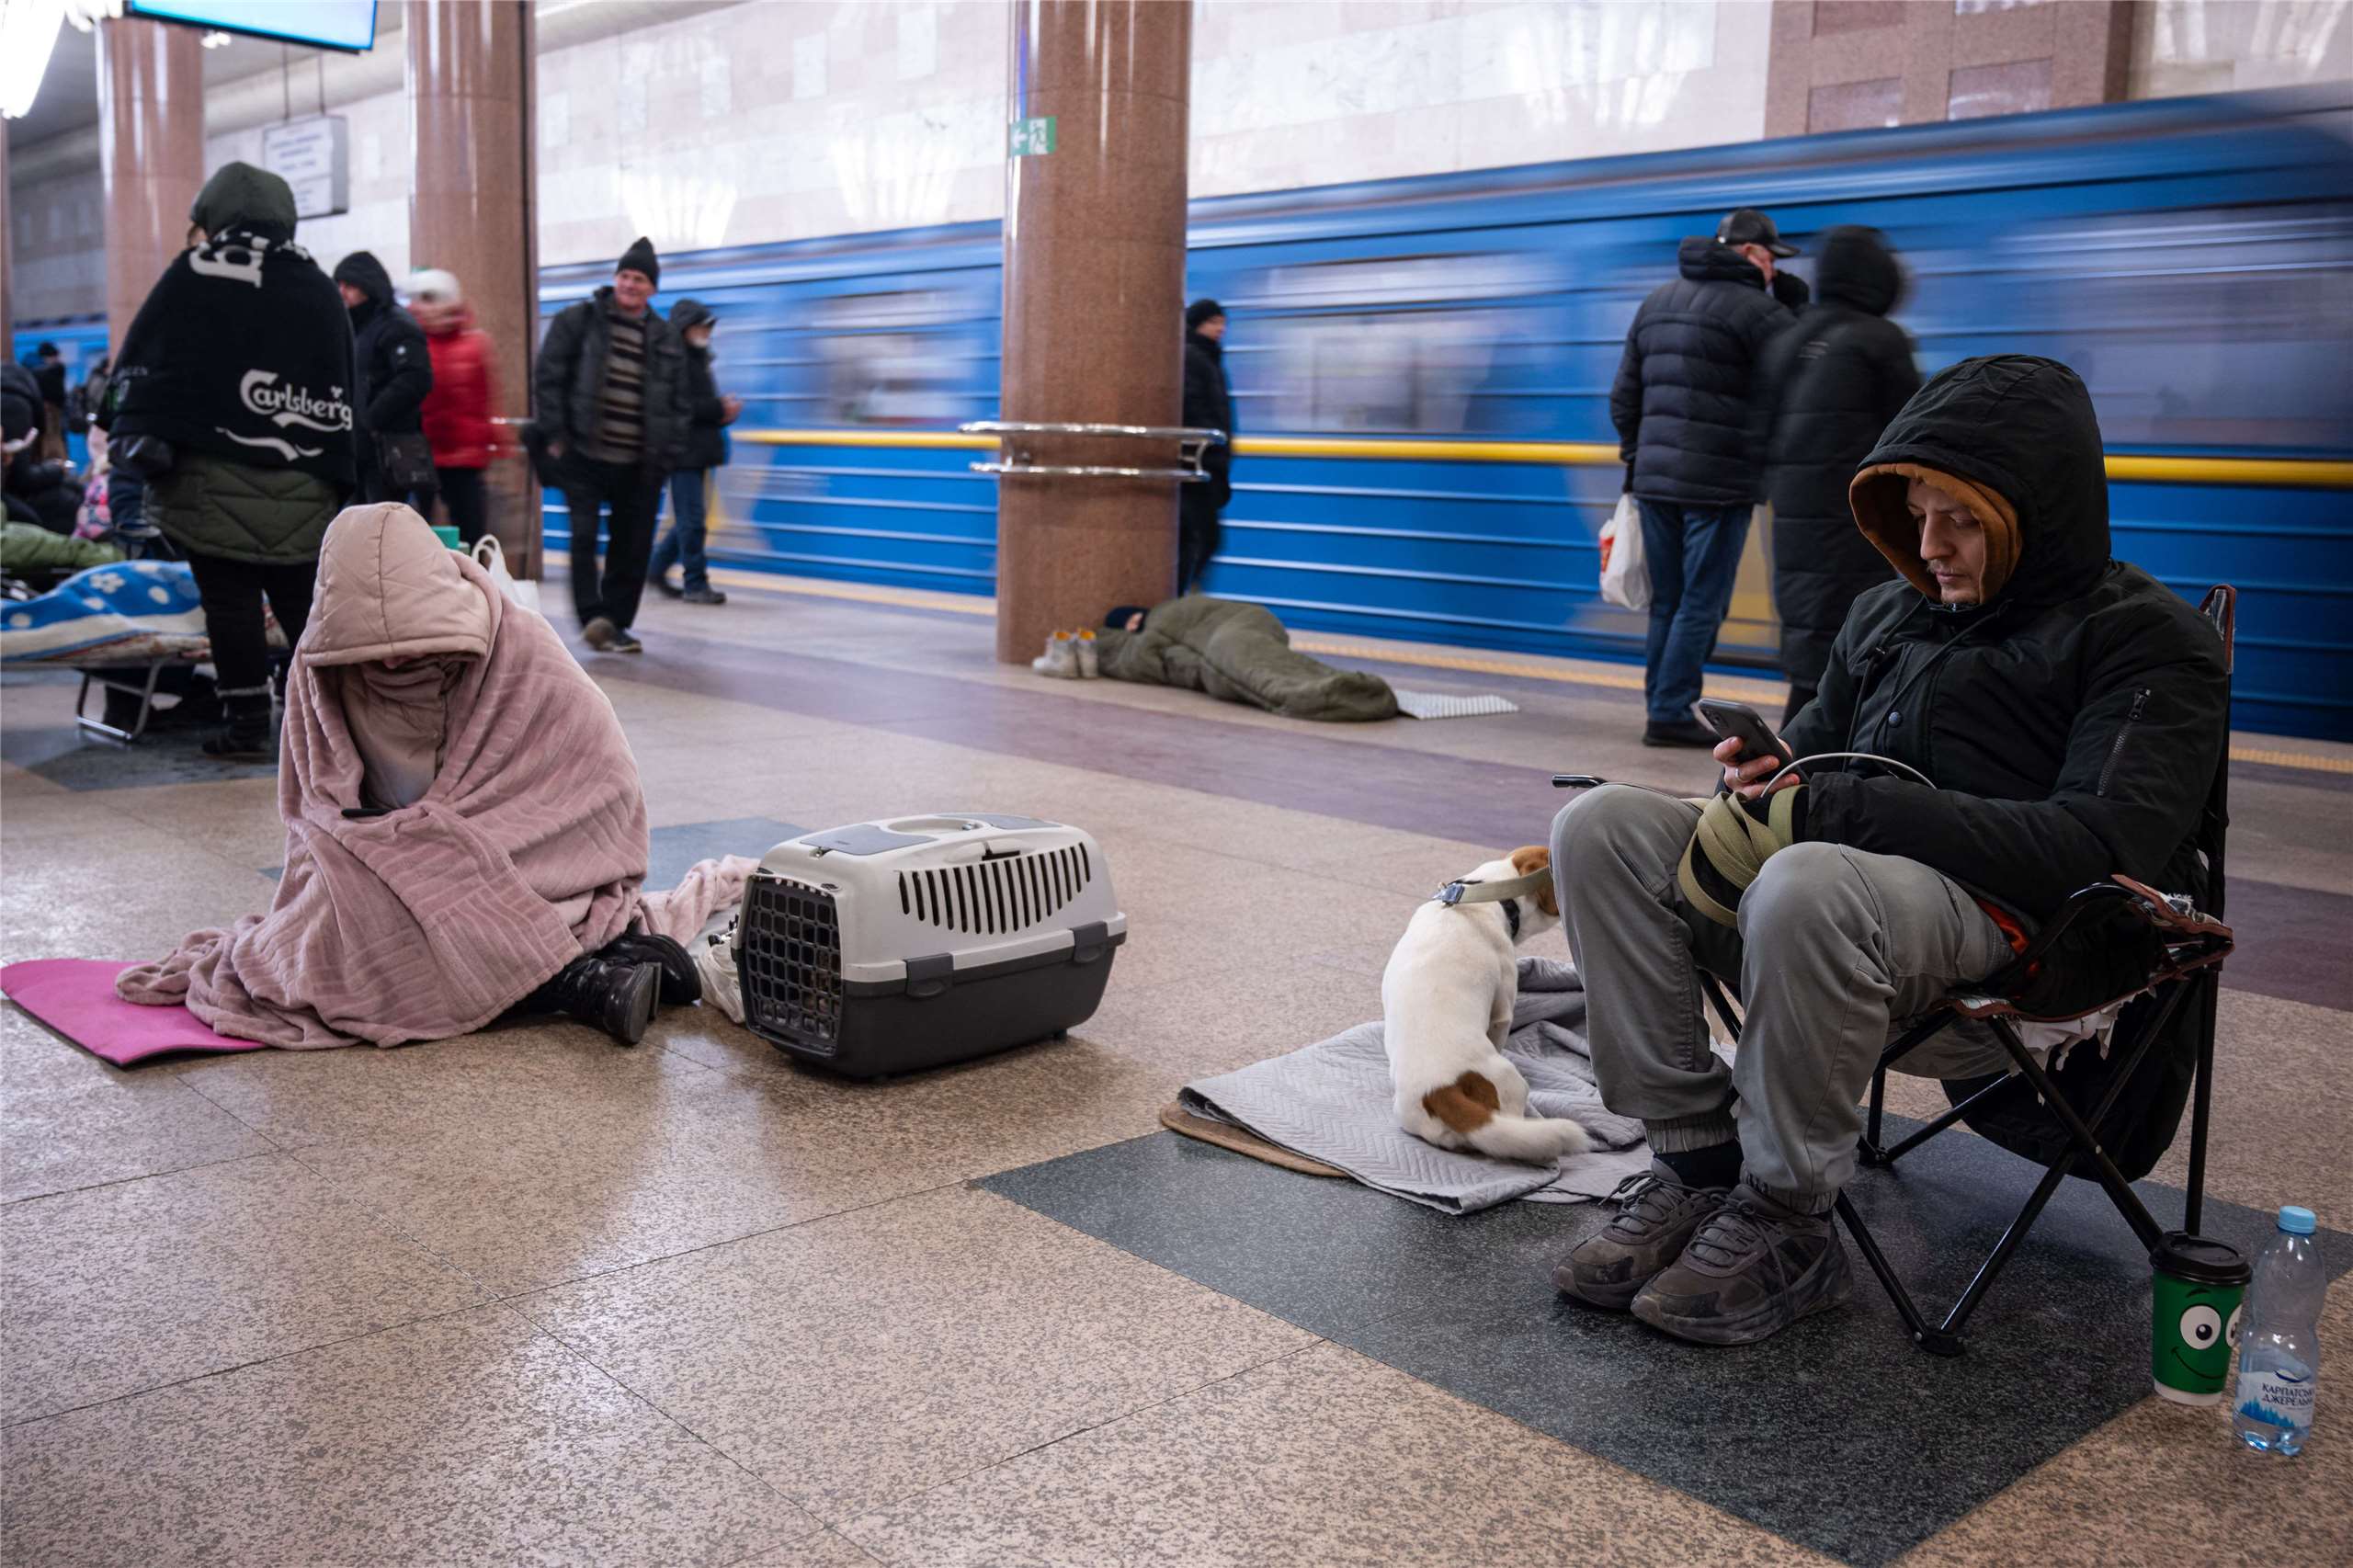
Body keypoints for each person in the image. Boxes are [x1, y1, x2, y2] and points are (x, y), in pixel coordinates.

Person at [1547, 356, 2229, 1346]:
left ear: (2033, 509)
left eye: (1958, 517)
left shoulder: (2146, 640)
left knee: (1808, 874)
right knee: (1598, 823)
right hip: (1823, 924)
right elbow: (1820, 761)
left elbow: (2098, 843)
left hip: (2021, 946)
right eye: (1916, 514)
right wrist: (1773, 773)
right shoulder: (1884, 615)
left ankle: (1788, 1218)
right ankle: (1697, 1164)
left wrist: (1846, 812)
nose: (1929, 544)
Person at [116, 503, 745, 1049]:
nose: (392, 661)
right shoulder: (318, 671)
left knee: (409, 935)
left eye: (418, 648)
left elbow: (598, 792)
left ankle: (577, 977)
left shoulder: (529, 657)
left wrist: (433, 854)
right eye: (372, 654)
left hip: (534, 870)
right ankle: (585, 977)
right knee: (332, 945)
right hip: (389, 864)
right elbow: (318, 811)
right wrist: (397, 850)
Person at [107, 162, 355, 759]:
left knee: (231, 604)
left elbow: (145, 369)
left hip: (212, 477)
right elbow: (349, 384)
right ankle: (336, 732)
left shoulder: (197, 272)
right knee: (302, 605)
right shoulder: (316, 283)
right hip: (305, 476)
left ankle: (247, 727)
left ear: (213, 216)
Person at [1610, 207, 1806, 748]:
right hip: (1718, 485)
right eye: (1769, 258)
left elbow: (1624, 397)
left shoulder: (1657, 302)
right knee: (1701, 603)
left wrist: (1640, 456)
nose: (1772, 269)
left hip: (1653, 481)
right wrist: (1791, 301)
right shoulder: (1755, 310)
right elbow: (1802, 368)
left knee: (1668, 601)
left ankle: (1662, 704)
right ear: (1749, 254)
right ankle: (1669, 712)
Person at [1757, 225, 1921, 723]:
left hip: (1793, 523)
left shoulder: (1790, 337)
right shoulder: (1880, 339)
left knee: (1815, 654)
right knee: (1846, 651)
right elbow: (1915, 429)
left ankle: (1778, 772)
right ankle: (1778, 779)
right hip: (1855, 522)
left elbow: (1760, 433)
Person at [534, 236, 688, 655]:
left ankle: (616, 623)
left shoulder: (666, 338)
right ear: (615, 279)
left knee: (632, 546)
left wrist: (668, 455)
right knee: (583, 538)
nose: (630, 284)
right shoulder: (578, 320)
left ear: (652, 288)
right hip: (582, 455)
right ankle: (592, 618)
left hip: (640, 464)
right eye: (624, 275)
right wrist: (556, 438)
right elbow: (548, 378)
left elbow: (680, 403)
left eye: (639, 278)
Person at [648, 297, 741, 605]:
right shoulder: (675, 361)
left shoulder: (697, 358)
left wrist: (722, 410)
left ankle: (656, 569)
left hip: (698, 449)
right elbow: (680, 406)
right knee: (693, 519)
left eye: (708, 325)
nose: (707, 330)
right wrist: (719, 407)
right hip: (682, 451)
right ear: (685, 327)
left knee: (691, 518)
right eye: (701, 325)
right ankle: (695, 584)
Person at [334, 251, 436, 511]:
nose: (342, 291)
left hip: (387, 451)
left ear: (368, 284)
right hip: (358, 450)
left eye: (350, 285)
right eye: (340, 285)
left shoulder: (396, 324)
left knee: (382, 529)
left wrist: (370, 419)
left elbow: (416, 378)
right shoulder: (357, 327)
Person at [409, 267, 499, 547]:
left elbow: (485, 400)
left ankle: (476, 587)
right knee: (416, 539)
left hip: (464, 460)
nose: (422, 307)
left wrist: (493, 445)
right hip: (420, 457)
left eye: (429, 299)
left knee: (472, 535)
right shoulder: (411, 343)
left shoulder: (476, 345)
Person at [1179, 299, 1234, 596]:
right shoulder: (1192, 357)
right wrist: (1212, 455)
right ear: (1197, 323)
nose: (1220, 328)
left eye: (1222, 322)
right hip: (1198, 464)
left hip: (1209, 464)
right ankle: (1185, 603)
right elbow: (1195, 408)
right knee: (1200, 538)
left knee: (1203, 539)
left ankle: (1188, 600)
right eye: (1214, 322)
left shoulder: (1209, 358)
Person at [18, 342, 69, 461]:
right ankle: (56, 465)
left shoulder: (29, 370)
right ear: (48, 356)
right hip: (49, 411)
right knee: (51, 439)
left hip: (35, 412)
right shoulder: (51, 371)